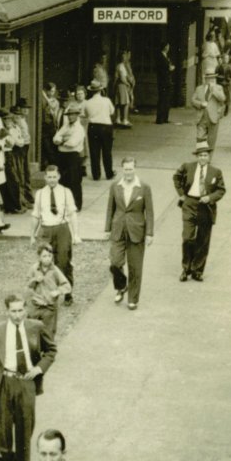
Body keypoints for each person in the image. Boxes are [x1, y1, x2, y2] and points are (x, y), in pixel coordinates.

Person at [0, 296, 53, 461]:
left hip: (26, 383)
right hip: (4, 384)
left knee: (25, 432)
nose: (17, 315)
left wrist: (38, 369)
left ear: (26, 310)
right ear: (6, 311)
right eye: (13, 311)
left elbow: (51, 350)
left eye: (20, 310)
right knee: (3, 434)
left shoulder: (36, 328)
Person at [104, 156, 156, 312]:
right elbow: (110, 208)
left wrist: (149, 233)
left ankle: (133, 299)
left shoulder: (144, 187)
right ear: (122, 169)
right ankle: (121, 286)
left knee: (135, 267)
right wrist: (107, 229)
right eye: (126, 169)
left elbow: (150, 212)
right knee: (115, 262)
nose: (128, 172)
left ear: (135, 168)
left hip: (137, 231)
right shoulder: (115, 186)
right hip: (118, 228)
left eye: (131, 169)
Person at [174, 139, 227, 283]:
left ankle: (197, 270)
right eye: (200, 155)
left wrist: (209, 197)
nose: (203, 158)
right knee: (187, 238)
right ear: (196, 156)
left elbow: (221, 190)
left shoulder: (216, 172)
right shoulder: (188, 167)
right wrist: (181, 194)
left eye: (205, 155)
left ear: (209, 157)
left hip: (206, 207)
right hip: (190, 204)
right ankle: (186, 268)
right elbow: (176, 177)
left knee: (203, 240)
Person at [31, 164, 79, 295]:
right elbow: (36, 215)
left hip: (62, 228)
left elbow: (73, 213)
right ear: (45, 177)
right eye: (49, 177)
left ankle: (67, 293)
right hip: (46, 230)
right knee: (44, 262)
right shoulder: (40, 194)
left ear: (59, 177)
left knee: (64, 262)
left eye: (54, 177)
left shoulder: (66, 191)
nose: (52, 179)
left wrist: (75, 234)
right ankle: (46, 292)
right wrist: (32, 235)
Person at [26, 245, 72, 341]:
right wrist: (35, 280)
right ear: (39, 257)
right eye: (44, 256)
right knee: (33, 331)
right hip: (36, 305)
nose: (47, 259)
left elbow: (67, 286)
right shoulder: (34, 269)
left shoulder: (54, 270)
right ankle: (36, 352)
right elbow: (28, 285)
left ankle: (49, 353)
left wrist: (58, 291)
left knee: (49, 332)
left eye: (49, 256)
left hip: (49, 306)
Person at [50, 103, 88, 209]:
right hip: (62, 156)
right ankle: (63, 204)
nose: (70, 116)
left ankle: (76, 205)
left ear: (77, 115)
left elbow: (72, 143)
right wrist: (63, 139)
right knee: (62, 180)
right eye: (69, 115)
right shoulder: (65, 126)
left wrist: (62, 140)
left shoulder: (79, 128)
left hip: (73, 156)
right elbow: (55, 138)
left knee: (74, 181)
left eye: (73, 114)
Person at [2, 104, 33, 213]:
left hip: (15, 153)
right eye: (7, 120)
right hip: (10, 154)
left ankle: (20, 202)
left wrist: (19, 141)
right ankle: (15, 205)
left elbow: (21, 140)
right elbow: (17, 142)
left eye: (10, 119)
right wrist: (19, 141)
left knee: (20, 177)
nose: (9, 121)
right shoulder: (5, 131)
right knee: (14, 180)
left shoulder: (16, 127)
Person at [82, 86, 115, 181]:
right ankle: (109, 173)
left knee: (94, 151)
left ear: (91, 91)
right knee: (107, 151)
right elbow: (112, 111)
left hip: (93, 126)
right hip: (106, 126)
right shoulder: (106, 100)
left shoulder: (88, 102)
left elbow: (86, 114)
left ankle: (96, 174)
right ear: (100, 90)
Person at [193, 73, 226, 153]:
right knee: (200, 137)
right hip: (201, 116)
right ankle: (201, 156)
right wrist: (200, 104)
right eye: (209, 78)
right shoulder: (199, 88)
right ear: (205, 79)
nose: (212, 80)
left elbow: (223, 99)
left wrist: (214, 90)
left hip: (213, 117)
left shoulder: (219, 88)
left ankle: (208, 159)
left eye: (213, 78)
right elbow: (193, 100)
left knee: (211, 139)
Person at [112, 49, 136, 127]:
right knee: (126, 103)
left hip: (119, 85)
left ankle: (118, 119)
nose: (125, 57)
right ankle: (125, 120)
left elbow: (116, 77)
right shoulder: (121, 66)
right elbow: (122, 77)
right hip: (122, 85)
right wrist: (128, 84)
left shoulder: (118, 65)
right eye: (124, 55)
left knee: (118, 102)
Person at [155, 42, 175, 123]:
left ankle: (165, 117)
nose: (168, 48)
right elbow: (161, 69)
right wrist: (169, 68)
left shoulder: (166, 57)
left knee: (167, 99)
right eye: (167, 46)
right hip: (163, 80)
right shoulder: (160, 56)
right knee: (162, 99)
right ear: (164, 47)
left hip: (167, 80)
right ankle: (159, 118)